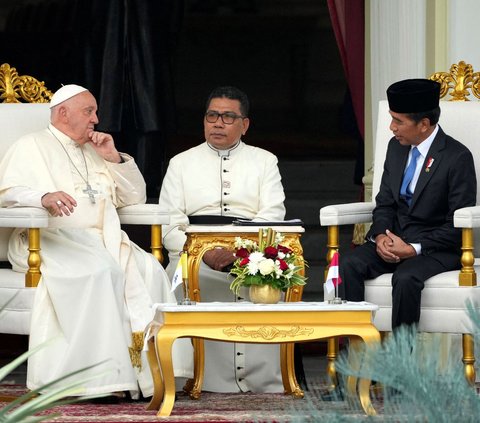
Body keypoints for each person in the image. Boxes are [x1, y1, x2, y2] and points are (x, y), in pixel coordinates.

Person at [0, 85, 192, 399]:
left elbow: (134, 197)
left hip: (103, 239)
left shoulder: (95, 148)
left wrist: (113, 158)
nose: (96, 119)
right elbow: (8, 193)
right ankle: (97, 380)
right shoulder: (30, 146)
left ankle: (146, 375)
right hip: (48, 240)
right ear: (63, 113)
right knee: (101, 273)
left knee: (149, 270)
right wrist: (42, 197)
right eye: (89, 111)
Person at [159, 86, 286, 392]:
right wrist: (203, 252)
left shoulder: (264, 160)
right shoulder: (181, 163)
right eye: (212, 115)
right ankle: (196, 377)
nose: (218, 123)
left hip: (250, 251)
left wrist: (241, 251)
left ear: (244, 124)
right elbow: (169, 223)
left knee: (267, 281)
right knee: (182, 281)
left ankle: (260, 379)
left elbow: (273, 213)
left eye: (228, 117)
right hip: (193, 253)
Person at [340, 78, 477, 329]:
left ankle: (401, 364)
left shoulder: (457, 157)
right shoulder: (396, 148)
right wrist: (381, 235)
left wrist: (413, 248)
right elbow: (384, 204)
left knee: (405, 277)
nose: (392, 127)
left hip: (435, 249)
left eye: (399, 121)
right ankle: (355, 355)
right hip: (394, 239)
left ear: (424, 124)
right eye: (391, 118)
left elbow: (455, 225)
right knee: (349, 264)